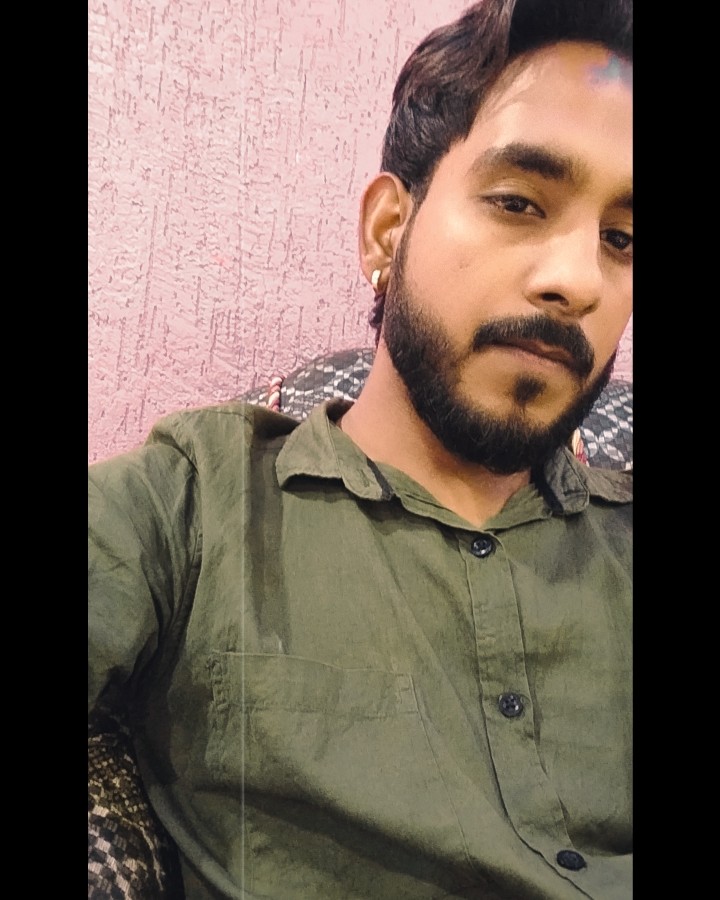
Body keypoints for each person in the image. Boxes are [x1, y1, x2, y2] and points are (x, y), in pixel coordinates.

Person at [88, 0, 633, 897]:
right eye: (518, 202)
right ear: (388, 229)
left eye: (622, 239)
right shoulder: (197, 505)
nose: (579, 280)